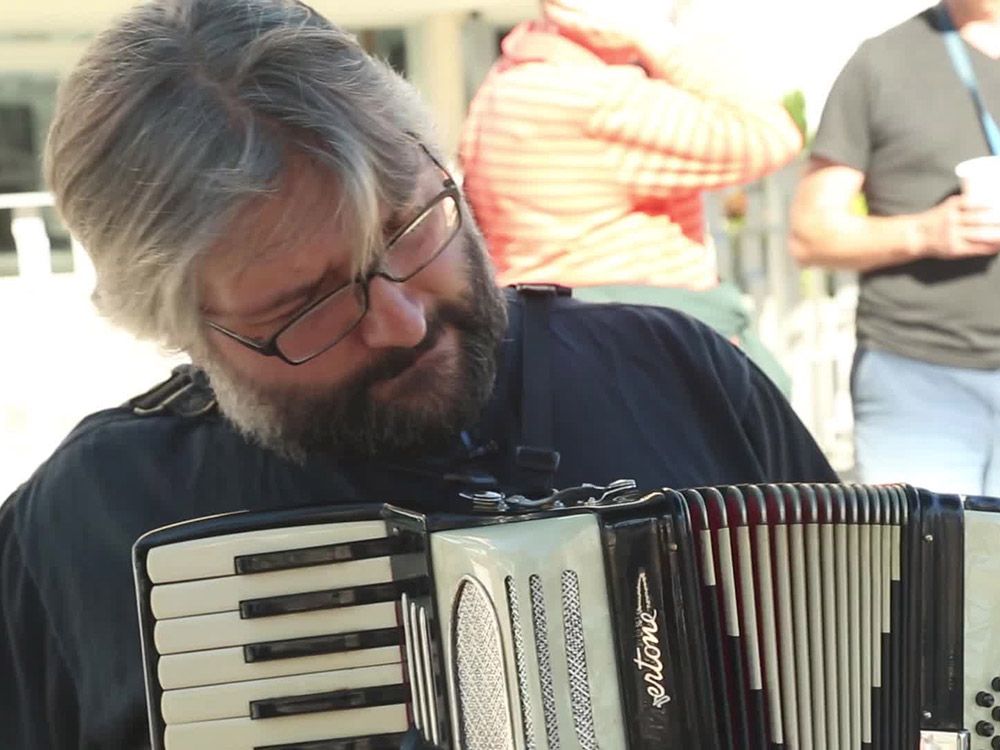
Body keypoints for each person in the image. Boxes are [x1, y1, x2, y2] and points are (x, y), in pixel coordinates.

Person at [0, 1, 836, 747]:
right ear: (177, 328)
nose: (402, 321)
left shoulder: (677, 372)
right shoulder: (93, 518)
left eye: (410, 228)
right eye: (308, 302)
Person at [459, 0, 805, 393]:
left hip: (551, 337)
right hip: (642, 338)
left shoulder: (508, 81)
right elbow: (768, 133)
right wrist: (661, 41)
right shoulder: (594, 96)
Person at [789, 0, 1000, 495]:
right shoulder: (882, 62)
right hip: (919, 379)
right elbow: (809, 232)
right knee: (933, 569)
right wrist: (926, 232)